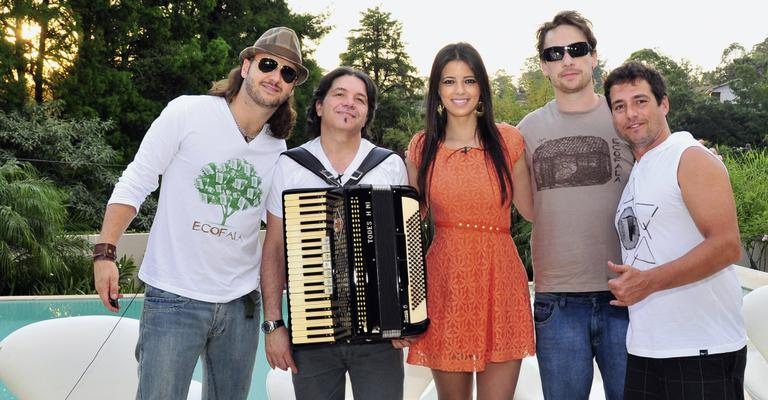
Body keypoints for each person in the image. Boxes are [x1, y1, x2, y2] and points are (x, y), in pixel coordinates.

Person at [92, 26, 308, 399]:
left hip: (241, 304)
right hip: (174, 297)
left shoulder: (278, 149)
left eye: (287, 73)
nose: (275, 77)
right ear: (246, 66)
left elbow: (280, 230)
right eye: (268, 65)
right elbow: (137, 180)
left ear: (291, 88)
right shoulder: (187, 112)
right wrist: (105, 251)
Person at [259, 66, 408, 400]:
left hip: (380, 336)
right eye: (339, 94)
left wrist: (405, 318)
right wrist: (274, 324)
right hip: (313, 332)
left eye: (360, 99)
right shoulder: (291, 166)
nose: (349, 104)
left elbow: (403, 248)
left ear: (367, 112)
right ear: (319, 106)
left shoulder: (389, 165)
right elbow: (274, 248)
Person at [605, 61, 747, 400]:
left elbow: (727, 245)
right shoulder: (638, 172)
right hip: (647, 350)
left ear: (663, 104)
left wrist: (648, 282)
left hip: (702, 349)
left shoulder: (688, 156)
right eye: (619, 106)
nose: (631, 114)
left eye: (640, 101)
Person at [405, 42, 535, 400]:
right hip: (446, 283)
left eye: (469, 80)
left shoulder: (509, 141)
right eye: (449, 82)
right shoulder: (421, 147)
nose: (459, 91)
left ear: (482, 88)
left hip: (501, 281)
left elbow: (533, 209)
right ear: (436, 90)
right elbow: (409, 230)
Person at [516, 11, 634, 400]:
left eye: (576, 49)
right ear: (543, 67)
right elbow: (528, 209)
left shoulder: (625, 118)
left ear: (593, 57)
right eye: (554, 54)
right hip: (558, 301)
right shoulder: (526, 132)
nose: (566, 60)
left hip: (628, 292)